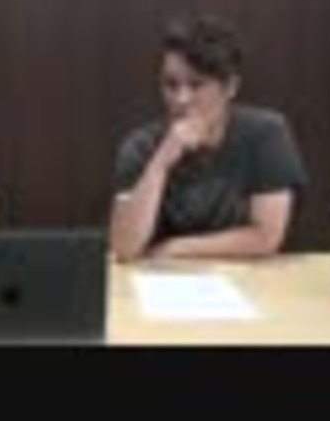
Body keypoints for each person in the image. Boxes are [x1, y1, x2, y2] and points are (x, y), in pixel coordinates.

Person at [109, 16, 307, 262]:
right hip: (162, 278)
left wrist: (175, 248)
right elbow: (124, 247)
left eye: (196, 85)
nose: (181, 99)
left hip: (246, 275)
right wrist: (160, 162)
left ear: (230, 87)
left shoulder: (266, 134)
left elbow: (266, 237)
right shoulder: (140, 146)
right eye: (171, 85)